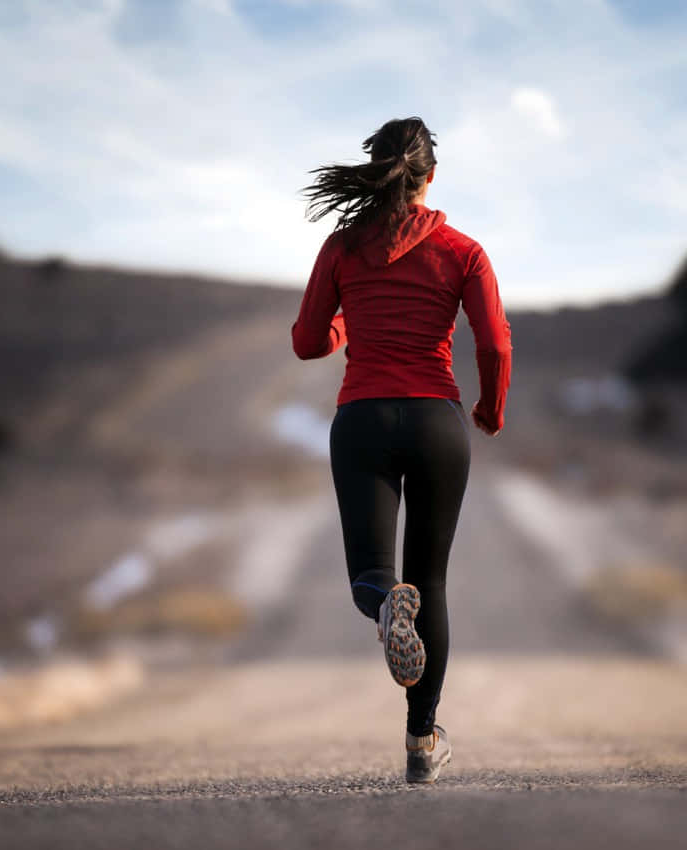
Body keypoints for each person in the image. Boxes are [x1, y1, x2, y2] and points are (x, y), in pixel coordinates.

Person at [292, 116, 512, 784]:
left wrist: (342, 323)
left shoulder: (342, 247)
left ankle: (387, 606)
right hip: (437, 422)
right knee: (433, 580)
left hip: (362, 418)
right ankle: (421, 742)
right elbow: (495, 342)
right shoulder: (463, 250)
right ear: (431, 176)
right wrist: (489, 408)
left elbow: (307, 342)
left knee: (375, 574)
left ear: (375, 170)